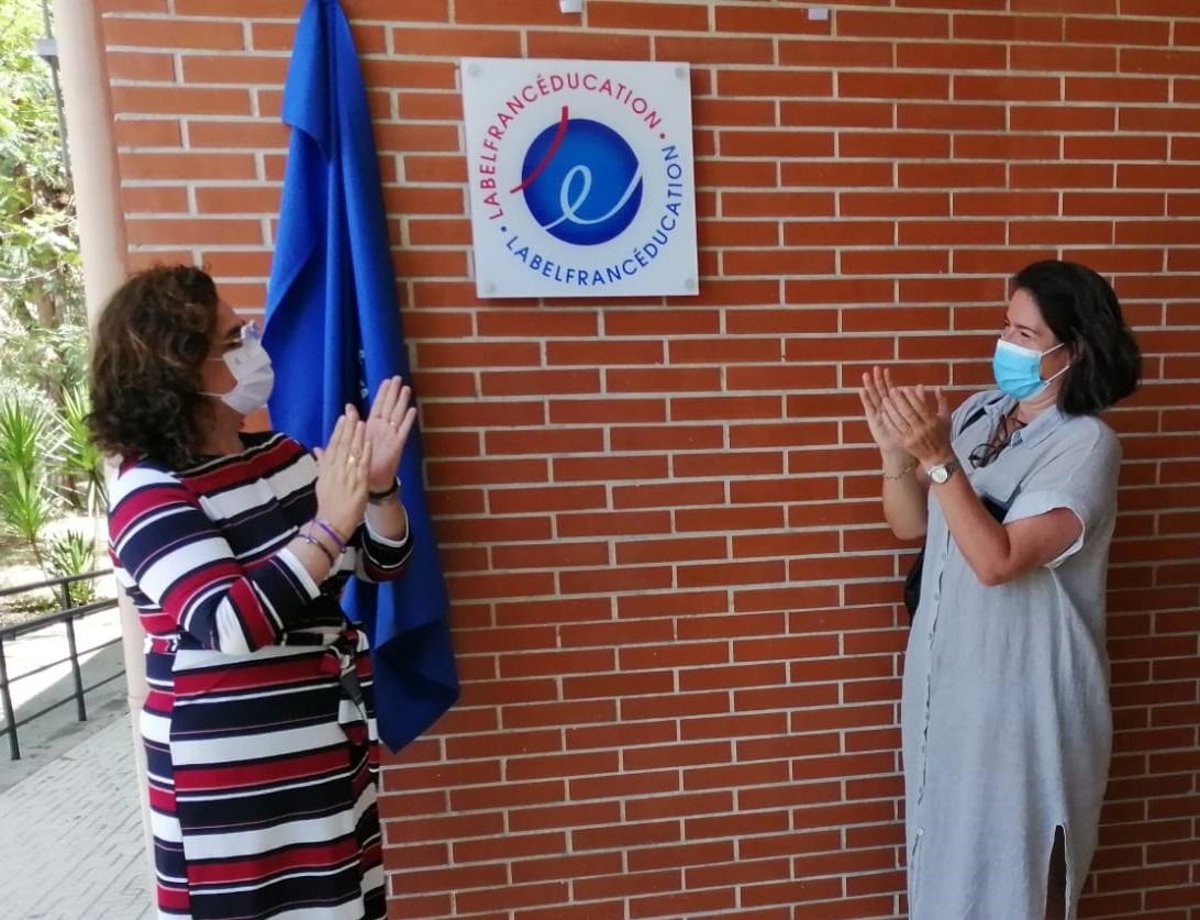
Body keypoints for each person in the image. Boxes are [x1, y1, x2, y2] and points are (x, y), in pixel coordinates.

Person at [88, 265, 416, 920]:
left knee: (338, 905)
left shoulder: (282, 455)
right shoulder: (148, 492)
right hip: (229, 772)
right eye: (233, 339)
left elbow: (381, 561)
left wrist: (378, 489)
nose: (253, 349)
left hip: (322, 739)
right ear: (180, 369)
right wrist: (330, 523)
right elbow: (231, 622)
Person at [858, 259, 1141, 920]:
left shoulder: (1085, 446)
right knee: (944, 854)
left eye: (1026, 335)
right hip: (949, 682)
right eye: (1006, 327)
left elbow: (998, 560)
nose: (1007, 344)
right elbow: (912, 525)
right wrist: (896, 457)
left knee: (1014, 866)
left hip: (1024, 700)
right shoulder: (979, 414)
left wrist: (938, 459)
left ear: (1075, 351)